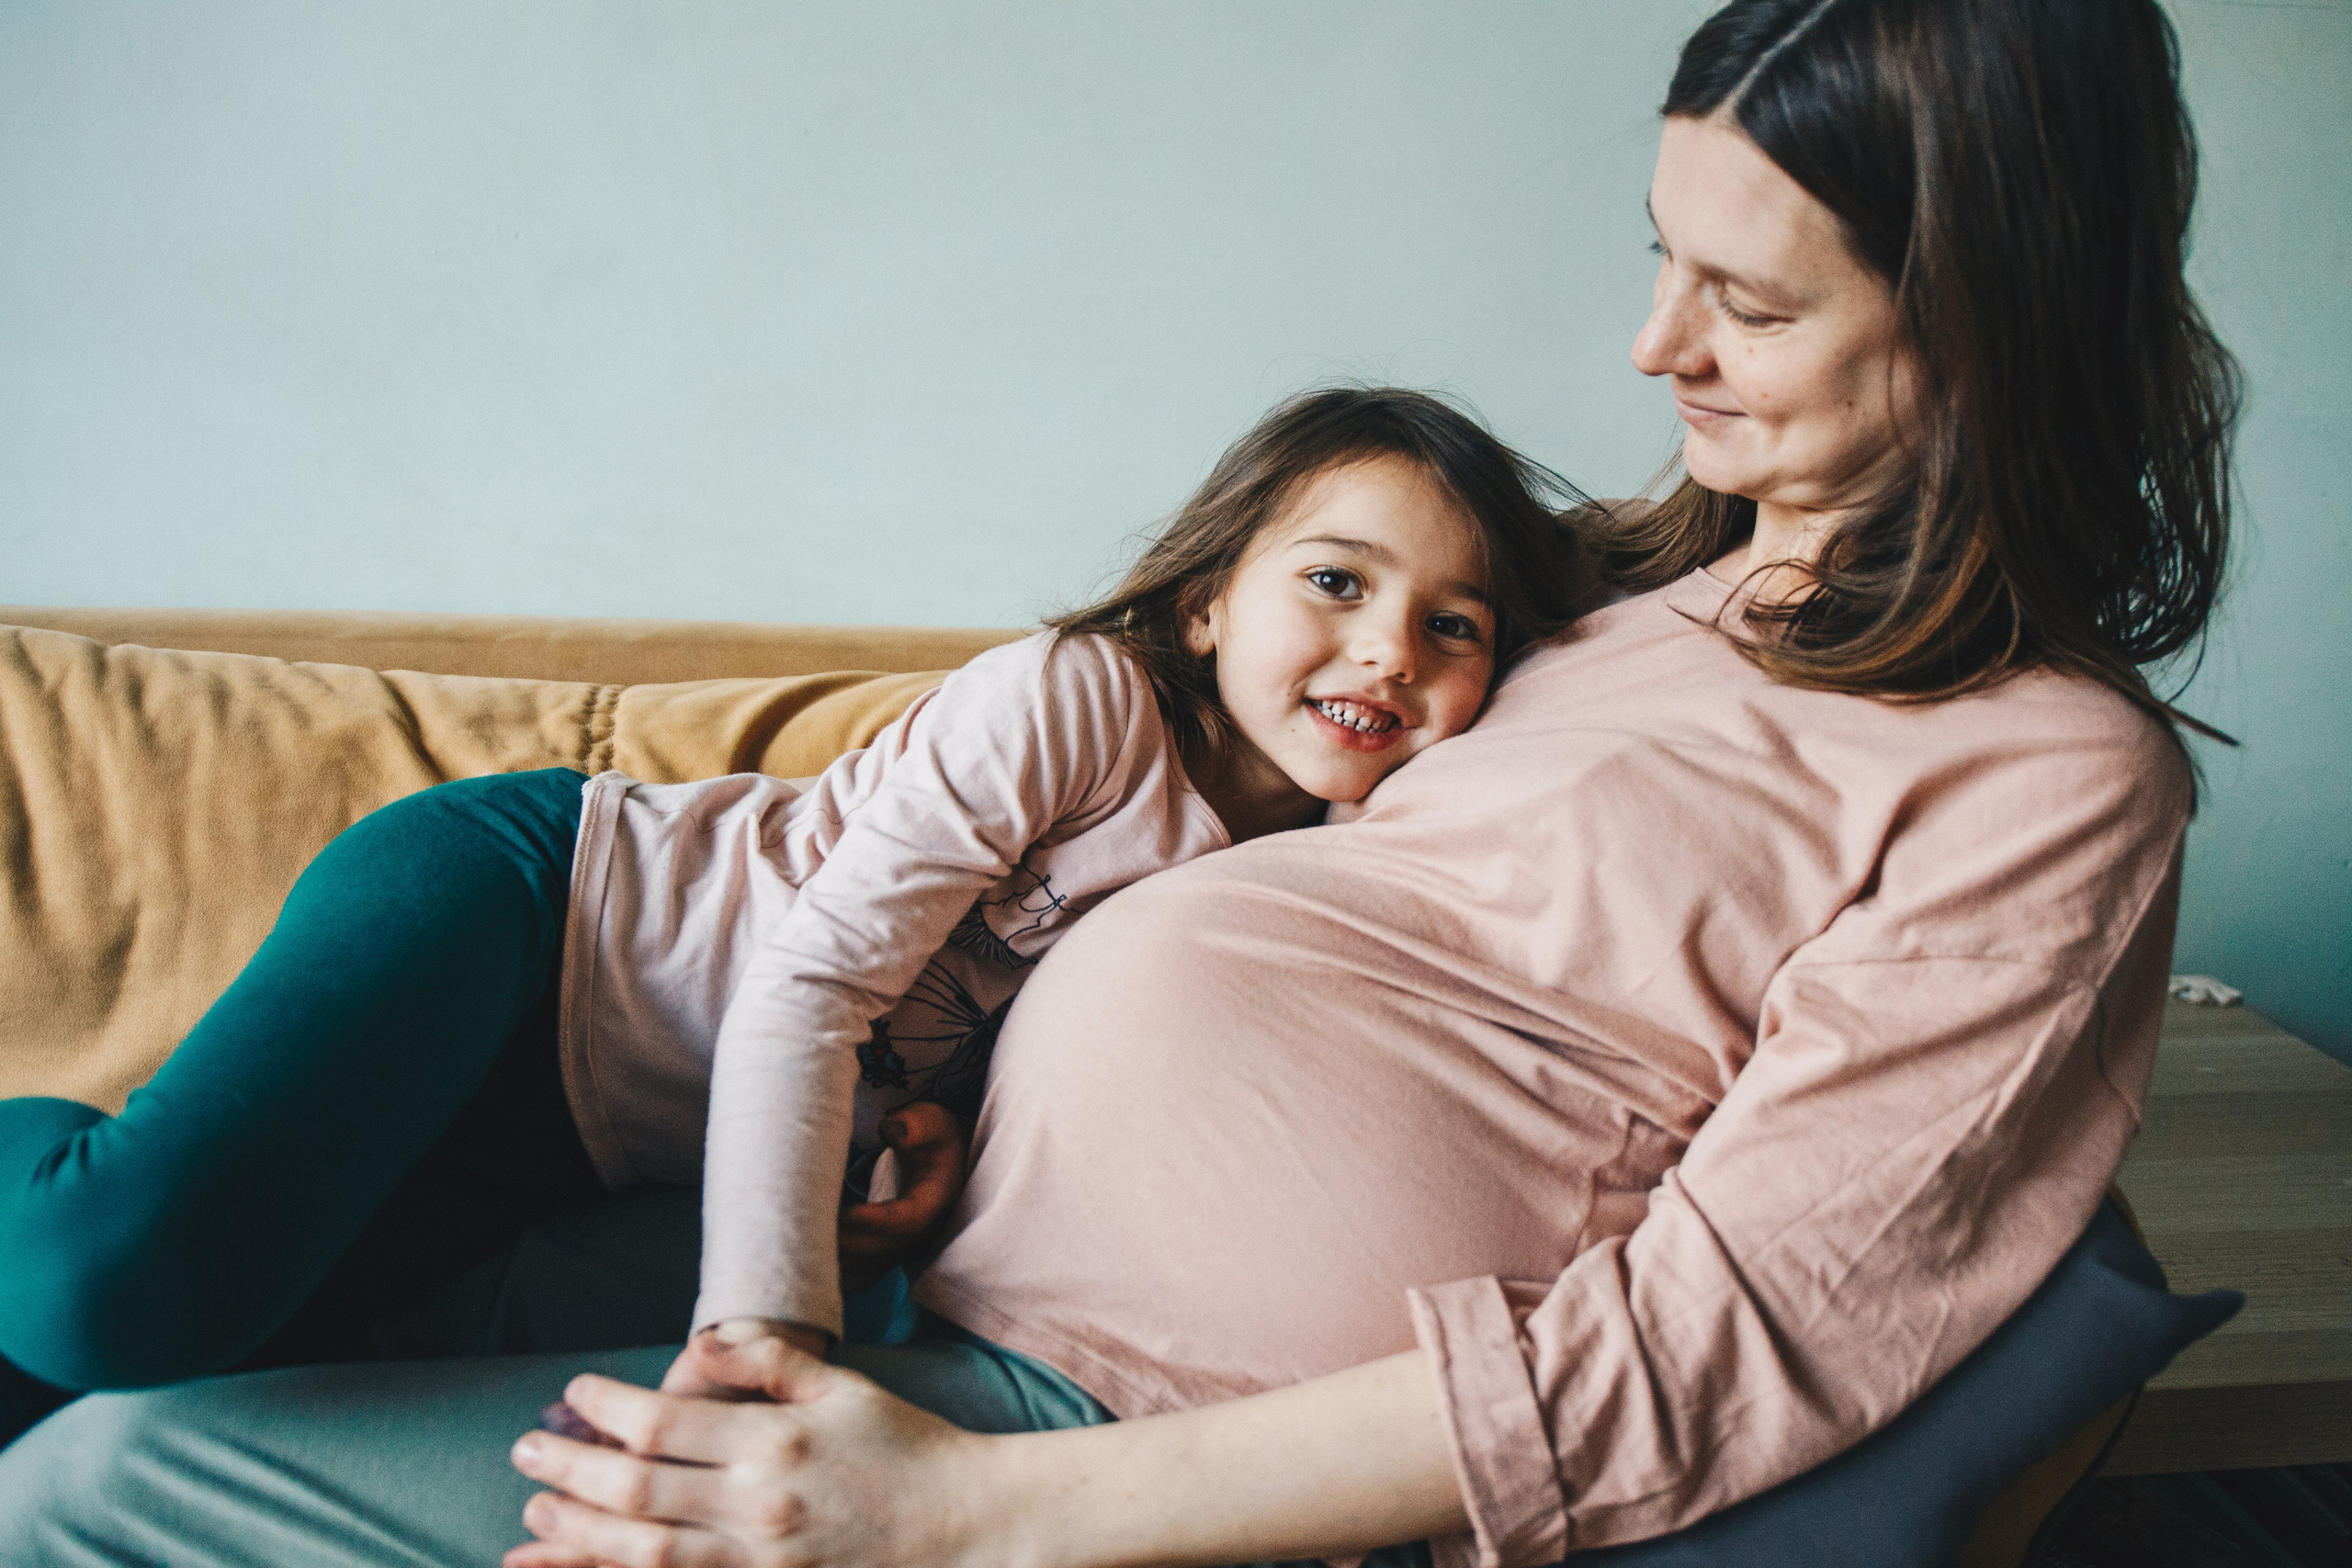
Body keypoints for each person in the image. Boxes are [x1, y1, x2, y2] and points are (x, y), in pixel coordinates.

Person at [0, 0, 2239, 1563]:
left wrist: (957, 1519)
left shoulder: (2044, 775)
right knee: (154, 1319)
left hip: (1080, 1438)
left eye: (1742, 304)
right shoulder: (1600, 601)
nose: (1651, 350)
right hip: (898, 1263)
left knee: (100, 1488)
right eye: (1658, 254)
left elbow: (1709, 1347)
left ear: (1976, 318)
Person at [0, 386, 1590, 1445]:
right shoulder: (1081, 702)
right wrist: (774, 1316)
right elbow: (813, 976)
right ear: (1205, 598)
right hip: (536, 924)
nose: (1389, 648)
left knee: (148, 1392)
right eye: (1336, 582)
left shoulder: (1320, 884)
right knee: (112, 1290)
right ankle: (50, 1135)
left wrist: (920, 1170)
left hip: (602, 1148)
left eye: (1450, 625)